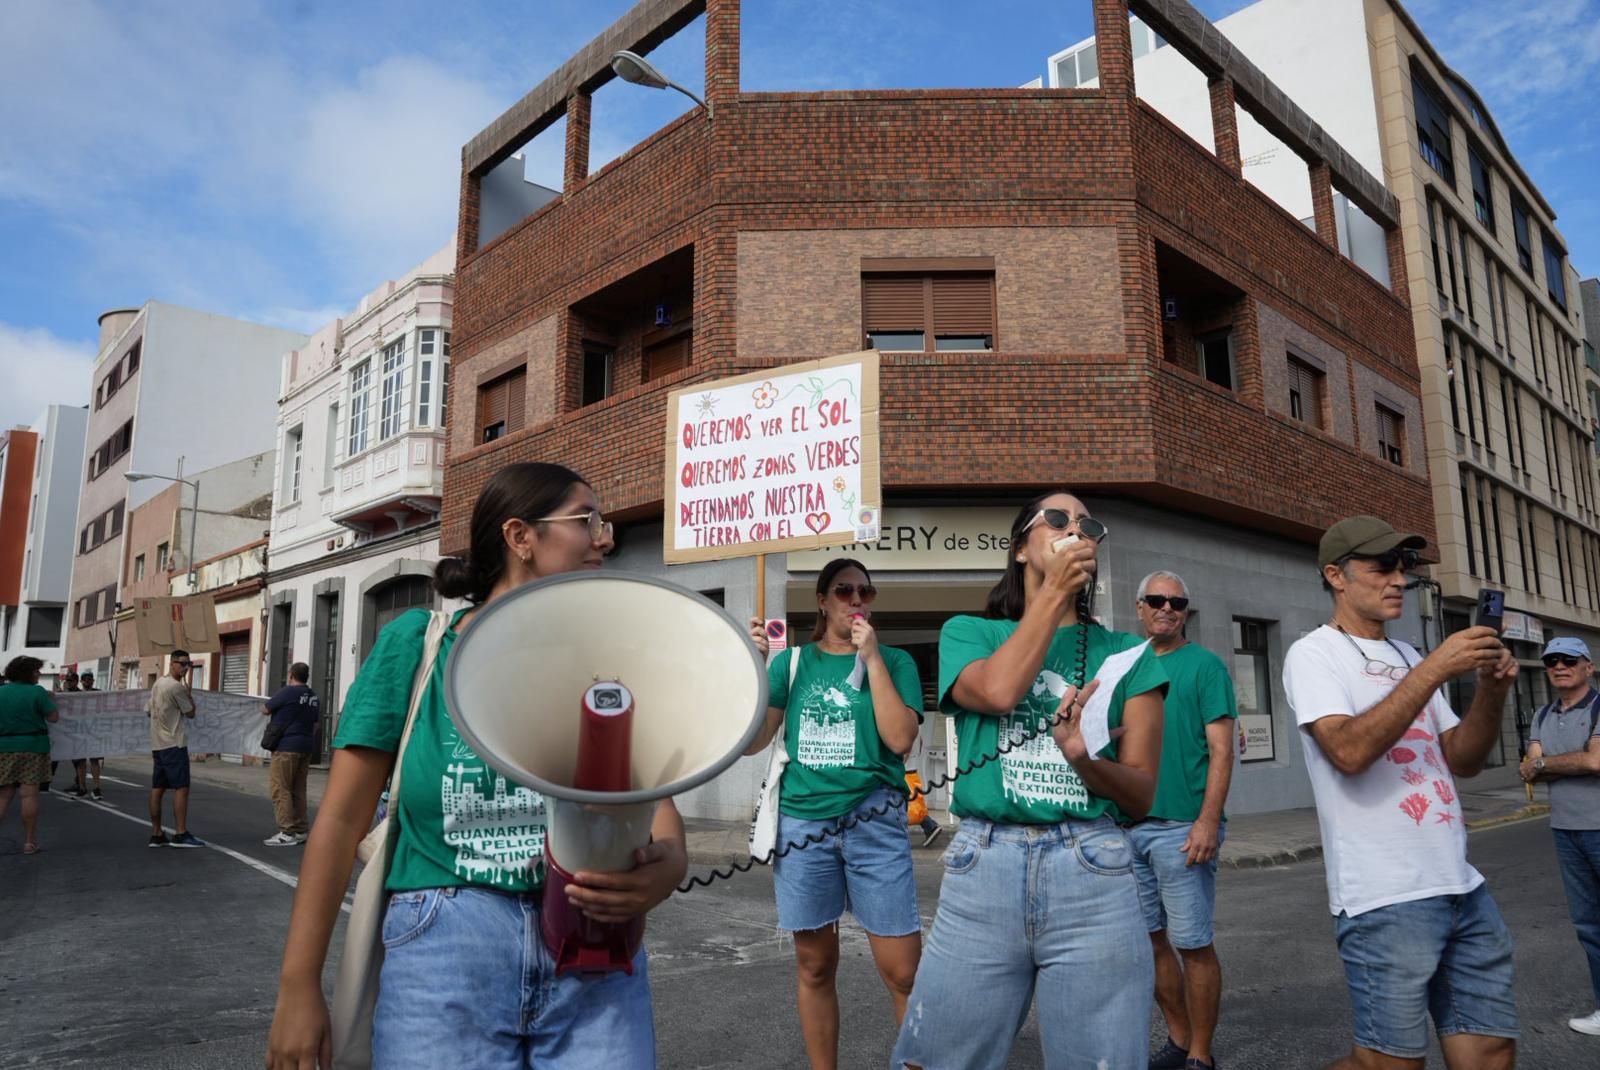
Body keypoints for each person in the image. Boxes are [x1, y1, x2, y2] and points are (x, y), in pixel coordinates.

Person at [267, 462, 685, 1069]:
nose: (605, 536)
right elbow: (337, 823)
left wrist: (666, 868)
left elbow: (657, 806)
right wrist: (298, 987)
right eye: (586, 519)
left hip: (593, 956)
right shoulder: (420, 645)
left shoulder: (607, 660)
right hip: (444, 950)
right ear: (521, 538)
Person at [891, 491, 1169, 1070]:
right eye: (1059, 520)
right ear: (1020, 548)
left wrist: (1084, 760)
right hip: (984, 865)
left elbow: (1141, 792)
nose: (1076, 530)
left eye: (1087, 525)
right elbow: (996, 692)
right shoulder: (969, 632)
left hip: (1093, 868)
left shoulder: (1124, 653)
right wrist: (1054, 595)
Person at [1284, 515, 1519, 1070]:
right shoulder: (1314, 654)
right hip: (1383, 896)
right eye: (1382, 566)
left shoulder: (1409, 656)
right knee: (1388, 1063)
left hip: (1460, 884)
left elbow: (1464, 760)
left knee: (1491, 1051)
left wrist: (1490, 691)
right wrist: (1437, 668)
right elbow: (1347, 751)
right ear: (1336, 576)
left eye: (1404, 567)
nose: (1398, 579)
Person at [745, 557, 924, 1070]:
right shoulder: (792, 664)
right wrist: (751, 672)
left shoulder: (896, 662)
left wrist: (871, 661)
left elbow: (900, 740)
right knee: (815, 963)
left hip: (874, 822)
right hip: (805, 824)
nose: (856, 601)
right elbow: (753, 742)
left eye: (865, 592)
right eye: (843, 591)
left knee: (904, 971)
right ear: (821, 601)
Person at [1128, 570, 1237, 1070]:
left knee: (1192, 944)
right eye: (1157, 600)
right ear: (1139, 607)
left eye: (1177, 602)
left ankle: (1200, 1054)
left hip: (1182, 830)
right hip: (1128, 828)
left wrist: (1208, 822)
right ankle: (1177, 1038)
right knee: (1150, 941)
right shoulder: (1125, 665)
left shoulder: (1206, 667)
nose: (1167, 608)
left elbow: (1221, 752)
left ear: (1186, 612)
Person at [1519, 636, 1600, 1037]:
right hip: (1566, 829)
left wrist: (1547, 763)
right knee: (1588, 925)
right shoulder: (1541, 715)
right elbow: (1529, 768)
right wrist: (1571, 762)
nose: (1559, 666)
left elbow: (1596, 760)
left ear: (1589, 666)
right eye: (1552, 661)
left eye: (1570, 659)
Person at [0, 656, 60, 855]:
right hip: (33, 747)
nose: (39, 674)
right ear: (27, 673)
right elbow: (53, 718)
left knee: (4, 795)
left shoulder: (1, 692)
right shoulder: (37, 692)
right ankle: (29, 842)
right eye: (36, 671)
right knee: (29, 795)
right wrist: (50, 700)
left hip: (4, 747)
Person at [147, 650, 203, 848]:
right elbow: (191, 713)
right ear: (172, 663)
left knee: (158, 788)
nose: (186, 667)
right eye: (182, 664)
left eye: (188, 664)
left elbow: (147, 710)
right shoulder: (176, 687)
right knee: (181, 787)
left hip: (158, 744)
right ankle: (180, 833)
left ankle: (156, 833)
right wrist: (189, 694)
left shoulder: (158, 683)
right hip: (174, 743)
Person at [261, 662, 320, 846]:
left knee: (280, 787)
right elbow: (316, 725)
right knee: (298, 788)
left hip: (286, 747)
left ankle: (286, 832)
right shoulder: (313, 697)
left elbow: (265, 709)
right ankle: (301, 829)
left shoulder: (288, 692)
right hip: (306, 746)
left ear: (291, 675)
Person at [69, 670, 105, 800]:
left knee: (94, 760)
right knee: (81, 762)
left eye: (90, 679)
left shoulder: (98, 693)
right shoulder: (75, 695)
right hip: (80, 732)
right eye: (85, 679)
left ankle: (96, 788)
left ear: (93, 681)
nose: (88, 681)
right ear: (82, 681)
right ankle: (82, 787)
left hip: (94, 732)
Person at [42, 668, 77, 792]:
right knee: (54, 757)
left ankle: (78, 782)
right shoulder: (60, 694)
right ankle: (46, 781)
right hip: (59, 730)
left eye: (71, 680)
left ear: (76, 682)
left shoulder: (79, 694)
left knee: (77, 758)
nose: (68, 682)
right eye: (67, 680)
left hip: (74, 731)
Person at [905, 734, 942, 848]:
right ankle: (929, 825)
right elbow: (920, 741)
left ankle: (929, 825)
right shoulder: (915, 721)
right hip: (911, 766)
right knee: (914, 801)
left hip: (904, 767)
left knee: (908, 804)